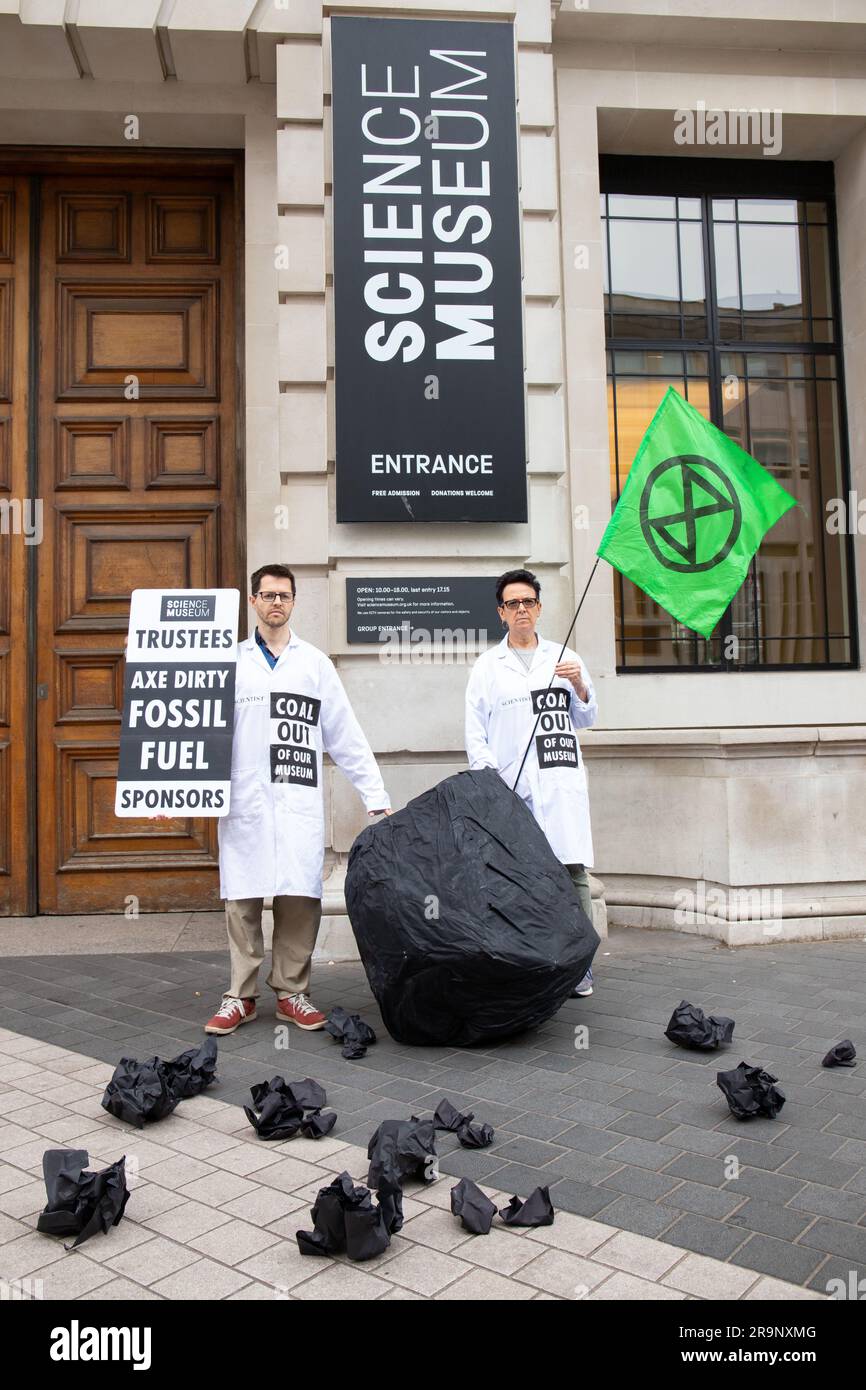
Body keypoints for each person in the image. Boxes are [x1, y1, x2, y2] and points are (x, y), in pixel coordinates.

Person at [205, 564, 391, 1035]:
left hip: (296, 797)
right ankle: (240, 997)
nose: (275, 603)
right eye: (267, 595)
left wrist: (375, 794)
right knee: (242, 902)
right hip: (244, 799)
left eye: (284, 596)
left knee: (299, 899)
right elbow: (202, 733)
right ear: (253, 601)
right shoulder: (228, 661)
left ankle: (292, 992)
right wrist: (177, 787)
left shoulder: (314, 664)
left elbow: (345, 733)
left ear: (293, 601)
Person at [464, 568, 596, 998]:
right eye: (512, 603)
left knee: (571, 871)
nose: (521, 609)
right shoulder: (488, 666)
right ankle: (530, 958)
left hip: (559, 782)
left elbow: (588, 718)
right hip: (510, 788)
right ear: (501, 613)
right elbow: (474, 730)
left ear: (539, 608)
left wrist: (578, 683)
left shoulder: (565, 657)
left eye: (528, 602)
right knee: (518, 874)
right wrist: (489, 779)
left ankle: (581, 966)